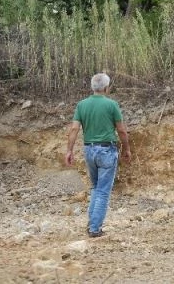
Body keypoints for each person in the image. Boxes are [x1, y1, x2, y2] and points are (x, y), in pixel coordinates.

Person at [65, 72, 131, 238]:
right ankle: (95, 229)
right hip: (107, 150)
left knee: (95, 187)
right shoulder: (112, 105)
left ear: (93, 87)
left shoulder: (82, 105)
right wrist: (126, 148)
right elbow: (121, 130)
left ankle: (91, 223)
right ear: (106, 88)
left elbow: (74, 129)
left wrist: (69, 150)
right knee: (102, 191)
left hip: (89, 150)